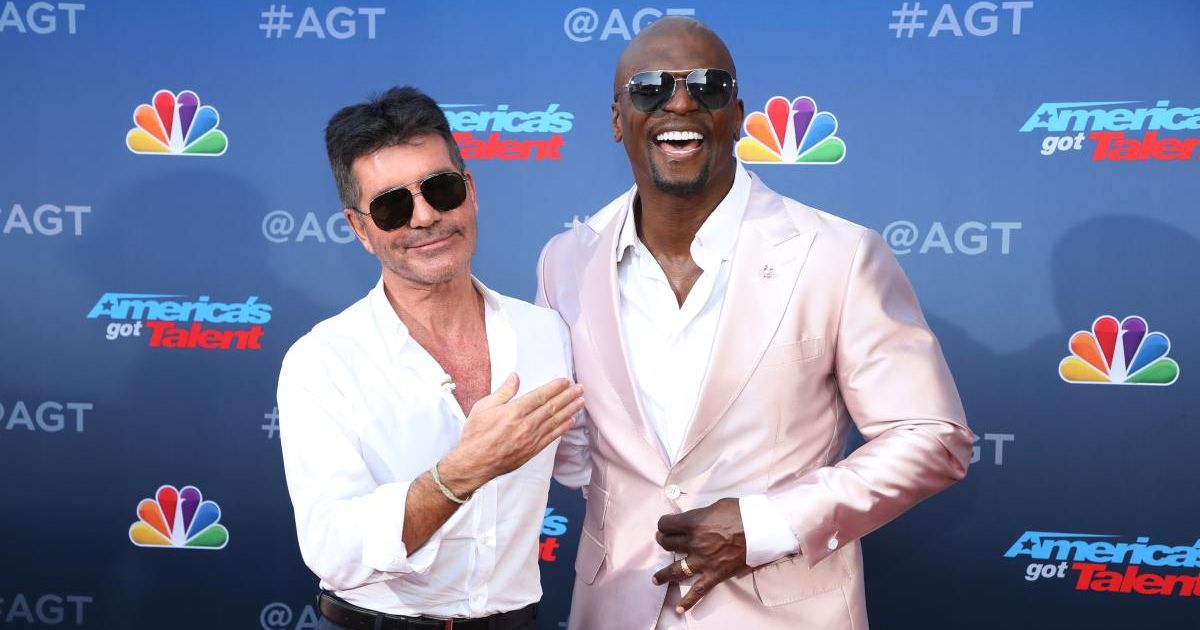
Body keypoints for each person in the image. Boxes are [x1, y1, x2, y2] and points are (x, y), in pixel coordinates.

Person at [536, 17, 973, 630]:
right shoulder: (565, 260)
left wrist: (767, 524)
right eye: (650, 87)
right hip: (614, 609)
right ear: (616, 119)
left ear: (736, 113)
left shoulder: (839, 255)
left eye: (707, 86)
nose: (680, 102)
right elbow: (580, 450)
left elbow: (934, 436)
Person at [278, 86, 588, 630]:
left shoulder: (546, 334)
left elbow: (592, 465)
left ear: (469, 191)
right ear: (360, 229)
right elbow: (334, 549)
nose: (423, 217)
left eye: (440, 189)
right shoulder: (323, 361)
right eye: (392, 205)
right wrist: (458, 475)